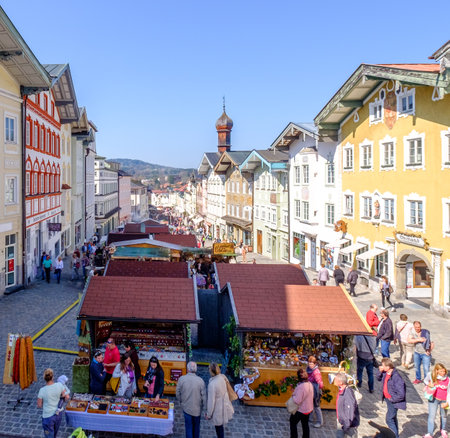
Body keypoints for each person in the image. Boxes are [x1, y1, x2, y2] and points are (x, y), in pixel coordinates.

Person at [376, 358, 406, 438]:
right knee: (393, 418)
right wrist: (380, 371)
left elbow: (401, 394)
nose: (381, 367)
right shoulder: (386, 373)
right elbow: (378, 378)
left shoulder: (397, 378)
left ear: (388, 367)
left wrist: (392, 399)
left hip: (393, 401)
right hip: (388, 399)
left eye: (383, 365)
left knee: (389, 419)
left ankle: (394, 436)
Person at [176, 361, 207, 438]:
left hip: (186, 408)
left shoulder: (182, 379)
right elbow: (204, 397)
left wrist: (181, 402)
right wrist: (205, 409)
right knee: (196, 428)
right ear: (196, 370)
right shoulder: (200, 381)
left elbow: (177, 393)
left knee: (188, 428)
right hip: (197, 409)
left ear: (187, 369)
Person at [37, 368, 69, 438]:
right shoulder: (59, 385)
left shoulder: (42, 390)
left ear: (44, 378)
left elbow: (39, 405)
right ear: (53, 377)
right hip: (58, 415)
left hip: (47, 417)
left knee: (48, 434)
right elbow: (66, 397)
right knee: (55, 433)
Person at [206, 363, 234, 438]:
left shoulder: (212, 384)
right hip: (225, 405)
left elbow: (211, 402)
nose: (208, 370)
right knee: (220, 428)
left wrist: (209, 415)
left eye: (209, 368)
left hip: (218, 409)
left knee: (219, 429)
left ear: (212, 371)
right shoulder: (223, 377)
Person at [423, 363, 449, 438]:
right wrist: (428, 384)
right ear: (437, 371)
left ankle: (443, 430)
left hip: (444, 400)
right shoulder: (431, 375)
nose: (443, 373)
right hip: (433, 399)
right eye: (441, 371)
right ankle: (430, 434)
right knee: (432, 416)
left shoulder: (448, 379)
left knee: (443, 416)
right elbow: (425, 381)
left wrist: (448, 402)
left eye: (444, 371)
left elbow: (449, 391)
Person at [289, 367, 314, 438]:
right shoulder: (310, 384)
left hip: (301, 410)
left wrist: (293, 396)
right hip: (308, 409)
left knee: (293, 423)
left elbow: (297, 400)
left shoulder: (301, 387)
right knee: (305, 424)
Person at [335, 373, 360, 437]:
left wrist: (346, 425)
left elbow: (350, 411)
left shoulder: (348, 393)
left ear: (340, 382)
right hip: (342, 421)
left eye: (335, 379)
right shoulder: (342, 389)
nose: (334, 381)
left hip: (348, 425)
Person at [306, 356, 323, 428]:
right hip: (310, 389)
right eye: (309, 364)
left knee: (316, 406)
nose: (310, 366)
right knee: (310, 404)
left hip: (316, 391)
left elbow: (320, 384)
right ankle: (310, 418)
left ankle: (320, 422)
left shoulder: (316, 372)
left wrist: (316, 389)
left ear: (315, 364)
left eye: (311, 364)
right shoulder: (309, 369)